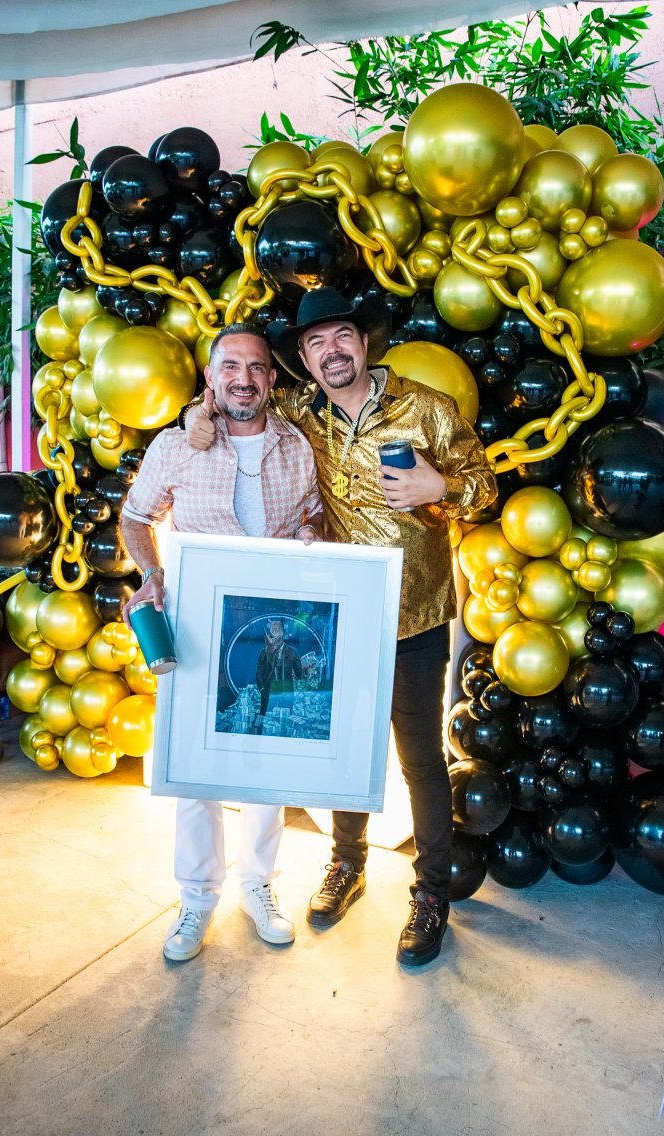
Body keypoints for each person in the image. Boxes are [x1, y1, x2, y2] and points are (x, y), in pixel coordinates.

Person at [184, 287, 496, 967]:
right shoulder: (299, 411)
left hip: (415, 614)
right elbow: (239, 402)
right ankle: (347, 864)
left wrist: (440, 489)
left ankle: (431, 893)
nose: (332, 352)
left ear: (364, 342)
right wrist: (197, 415)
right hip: (340, 616)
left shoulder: (426, 407)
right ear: (303, 358)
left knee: (421, 761)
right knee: (346, 752)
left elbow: (486, 485)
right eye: (316, 343)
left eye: (342, 337)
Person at [121, 324, 322, 963]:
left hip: (271, 628)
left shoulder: (297, 447)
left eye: (256, 367)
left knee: (268, 755)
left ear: (272, 379)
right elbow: (135, 518)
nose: (244, 379)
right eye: (230, 366)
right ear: (210, 377)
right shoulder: (175, 446)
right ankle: (196, 897)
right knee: (195, 768)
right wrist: (151, 574)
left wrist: (313, 533)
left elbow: (315, 514)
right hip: (197, 624)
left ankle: (258, 885)